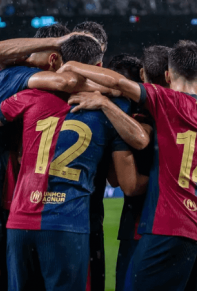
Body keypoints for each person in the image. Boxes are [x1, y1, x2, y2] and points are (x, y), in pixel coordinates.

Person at [0, 35, 149, 291]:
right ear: (99, 65)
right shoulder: (112, 109)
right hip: (69, 222)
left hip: (20, 222)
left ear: (57, 59)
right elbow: (126, 167)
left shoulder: (29, 96)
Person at [59, 40, 197, 291]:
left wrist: (74, 67)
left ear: (169, 77)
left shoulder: (166, 100)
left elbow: (117, 82)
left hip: (169, 227)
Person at [72, 45, 171, 291]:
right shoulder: (177, 111)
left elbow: (122, 182)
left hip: (138, 224)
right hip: (176, 223)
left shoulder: (128, 118)